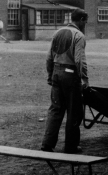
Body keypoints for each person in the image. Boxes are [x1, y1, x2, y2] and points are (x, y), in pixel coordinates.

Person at [41, 9, 89, 154]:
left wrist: (50, 75)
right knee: (74, 112)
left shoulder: (57, 33)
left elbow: (49, 57)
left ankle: (47, 144)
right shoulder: (79, 35)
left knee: (55, 110)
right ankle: (71, 147)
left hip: (56, 73)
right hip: (70, 76)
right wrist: (85, 79)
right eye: (85, 22)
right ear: (80, 20)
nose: (85, 25)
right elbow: (80, 60)